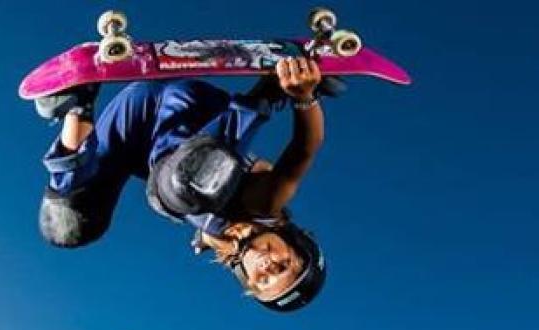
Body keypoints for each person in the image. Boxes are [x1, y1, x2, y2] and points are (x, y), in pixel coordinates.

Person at [35, 59, 329, 312]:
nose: (267, 266)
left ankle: (77, 102)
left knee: (66, 225)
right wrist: (305, 98)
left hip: (133, 126)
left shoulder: (221, 241)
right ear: (293, 241)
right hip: (187, 108)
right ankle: (269, 92)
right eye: (282, 265)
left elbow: (209, 229)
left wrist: (205, 238)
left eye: (263, 279)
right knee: (188, 194)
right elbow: (305, 149)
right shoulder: (266, 204)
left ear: (247, 280)